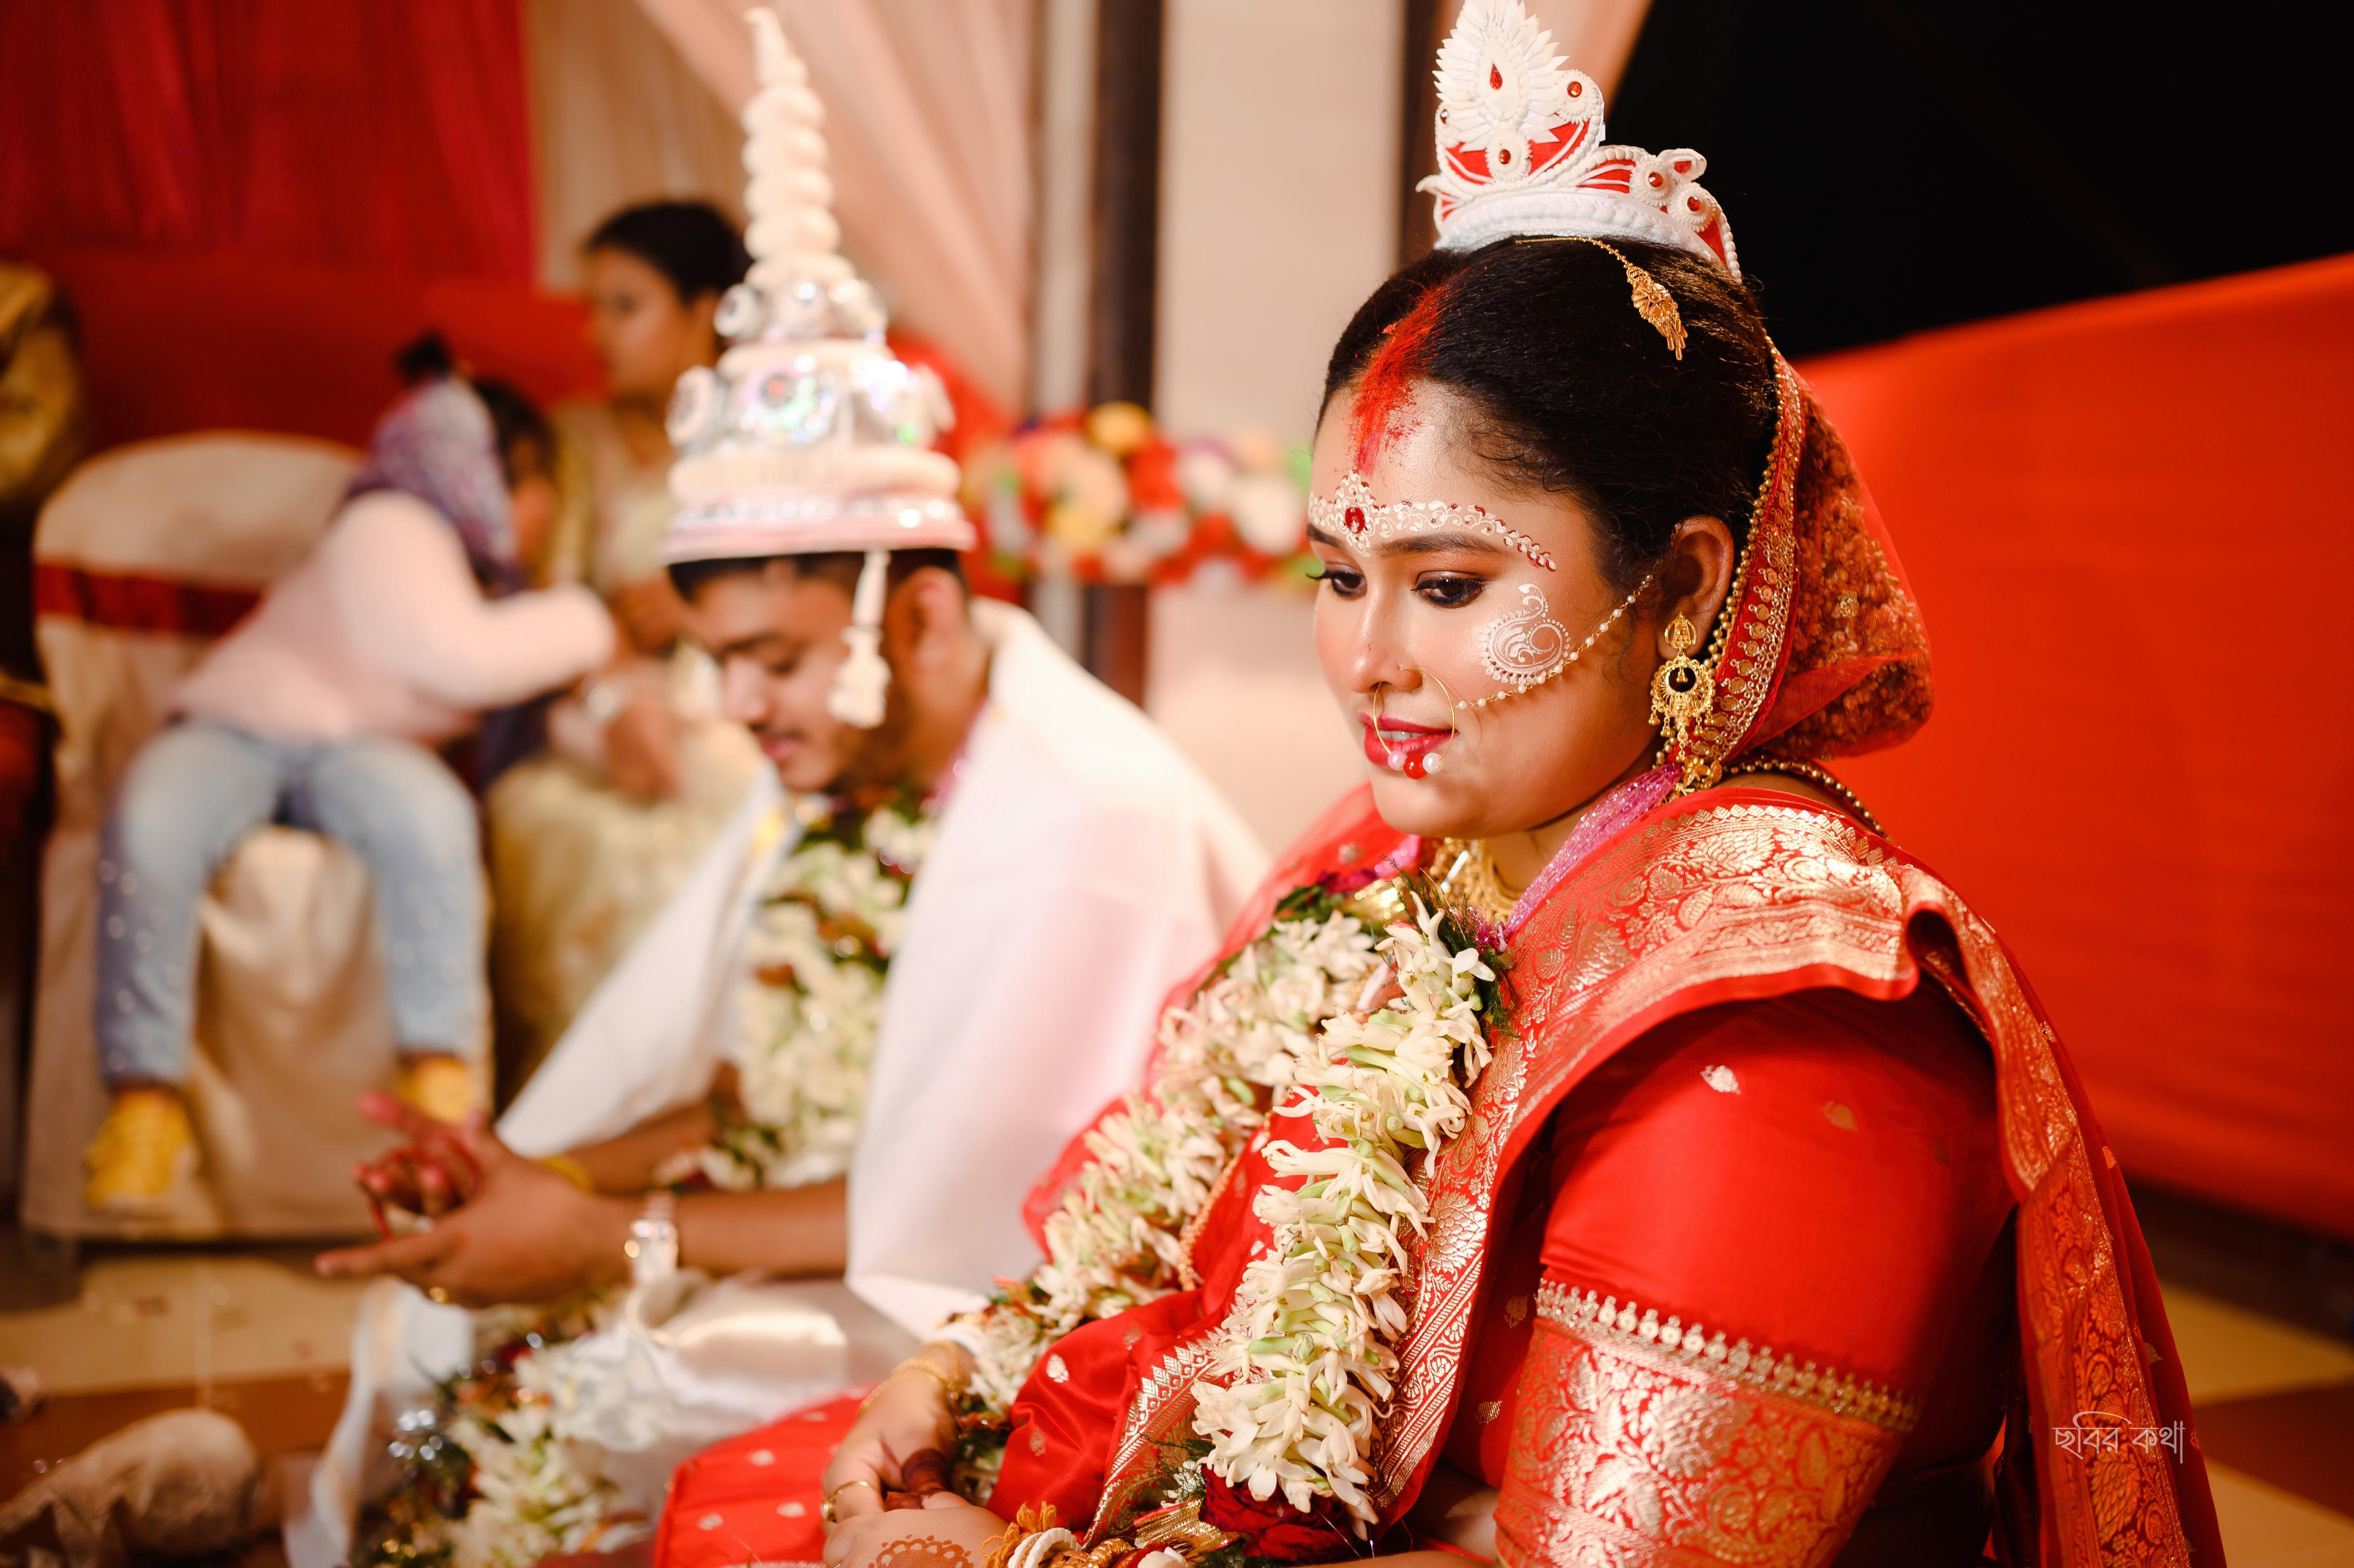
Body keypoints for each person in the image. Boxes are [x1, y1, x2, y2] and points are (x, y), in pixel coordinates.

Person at [651, 6, 2224, 1565]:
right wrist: (952, 1371)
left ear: (1683, 587)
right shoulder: (1401, 857)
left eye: (1452, 584)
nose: (1367, 663)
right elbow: (1161, 1242)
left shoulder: (1789, 1028)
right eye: (1341, 578)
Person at [297, 19, 1264, 1565]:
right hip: (846, 1229)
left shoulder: (1080, 825)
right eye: (721, 663)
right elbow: (777, 1093)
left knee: (614, 1384)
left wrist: (601, 1237)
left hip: (999, 1310)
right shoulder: (856, 766)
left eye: (777, 661)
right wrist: (542, 1174)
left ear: (921, 616)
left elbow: (960, 1213)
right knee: (437, 1327)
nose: (739, 708)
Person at [80, 340, 614, 1212]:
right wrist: (591, 620)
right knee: (153, 818)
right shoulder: (392, 523)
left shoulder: (494, 587)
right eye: (547, 490)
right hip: (239, 721)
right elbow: (463, 660)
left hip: (365, 747)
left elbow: (522, 697)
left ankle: (439, 1070)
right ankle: (144, 1093)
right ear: (501, 476)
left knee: (435, 825)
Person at [485, 199, 764, 1082]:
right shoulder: (575, 441)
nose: (597, 333)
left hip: (737, 710)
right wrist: (614, 701)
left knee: (741, 811)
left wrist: (701, 612)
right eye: (593, 307)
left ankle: (718, 1094)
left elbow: (804, 606)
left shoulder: (764, 442)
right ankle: (587, 1104)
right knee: (569, 830)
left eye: (626, 305)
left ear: (703, 311)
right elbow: (550, 603)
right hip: (592, 718)